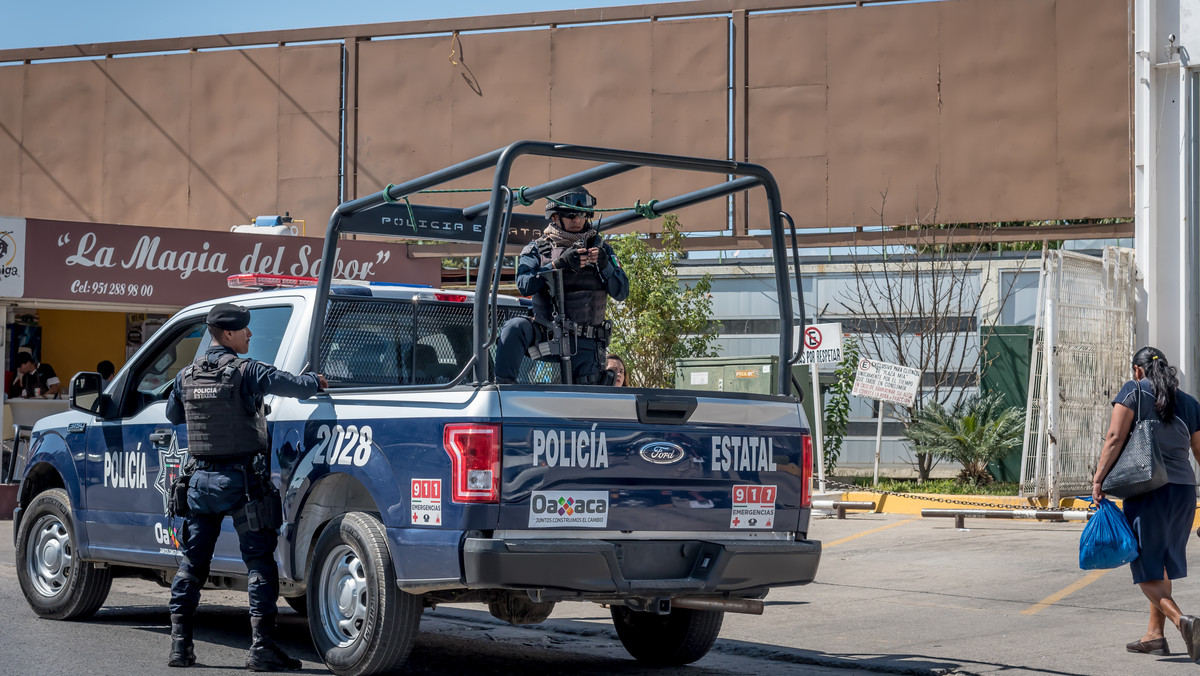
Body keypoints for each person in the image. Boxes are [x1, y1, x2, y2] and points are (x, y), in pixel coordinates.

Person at [163, 303, 327, 671]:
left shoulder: (186, 375)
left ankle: (180, 648)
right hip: (242, 486)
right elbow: (295, 386)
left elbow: (173, 415)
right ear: (229, 334)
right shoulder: (247, 371)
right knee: (259, 566)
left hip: (200, 484)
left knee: (191, 565)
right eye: (245, 330)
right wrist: (316, 381)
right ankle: (262, 649)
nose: (250, 335)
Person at [1092, 347, 1200, 660]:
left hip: (1148, 488)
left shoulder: (1134, 390)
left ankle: (1184, 623)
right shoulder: (1190, 403)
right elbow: (1199, 452)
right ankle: (1154, 636)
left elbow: (1114, 436)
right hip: (1182, 492)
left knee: (1145, 569)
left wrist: (1099, 479)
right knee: (1161, 565)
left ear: (1138, 371)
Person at [494, 187, 629, 384]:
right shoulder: (537, 248)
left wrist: (605, 264)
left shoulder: (603, 250)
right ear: (555, 217)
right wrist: (558, 265)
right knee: (514, 328)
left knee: (584, 402)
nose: (577, 219)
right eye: (570, 214)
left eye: (582, 214)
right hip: (546, 332)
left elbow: (622, 291)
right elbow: (524, 284)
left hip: (586, 341)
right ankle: (503, 391)